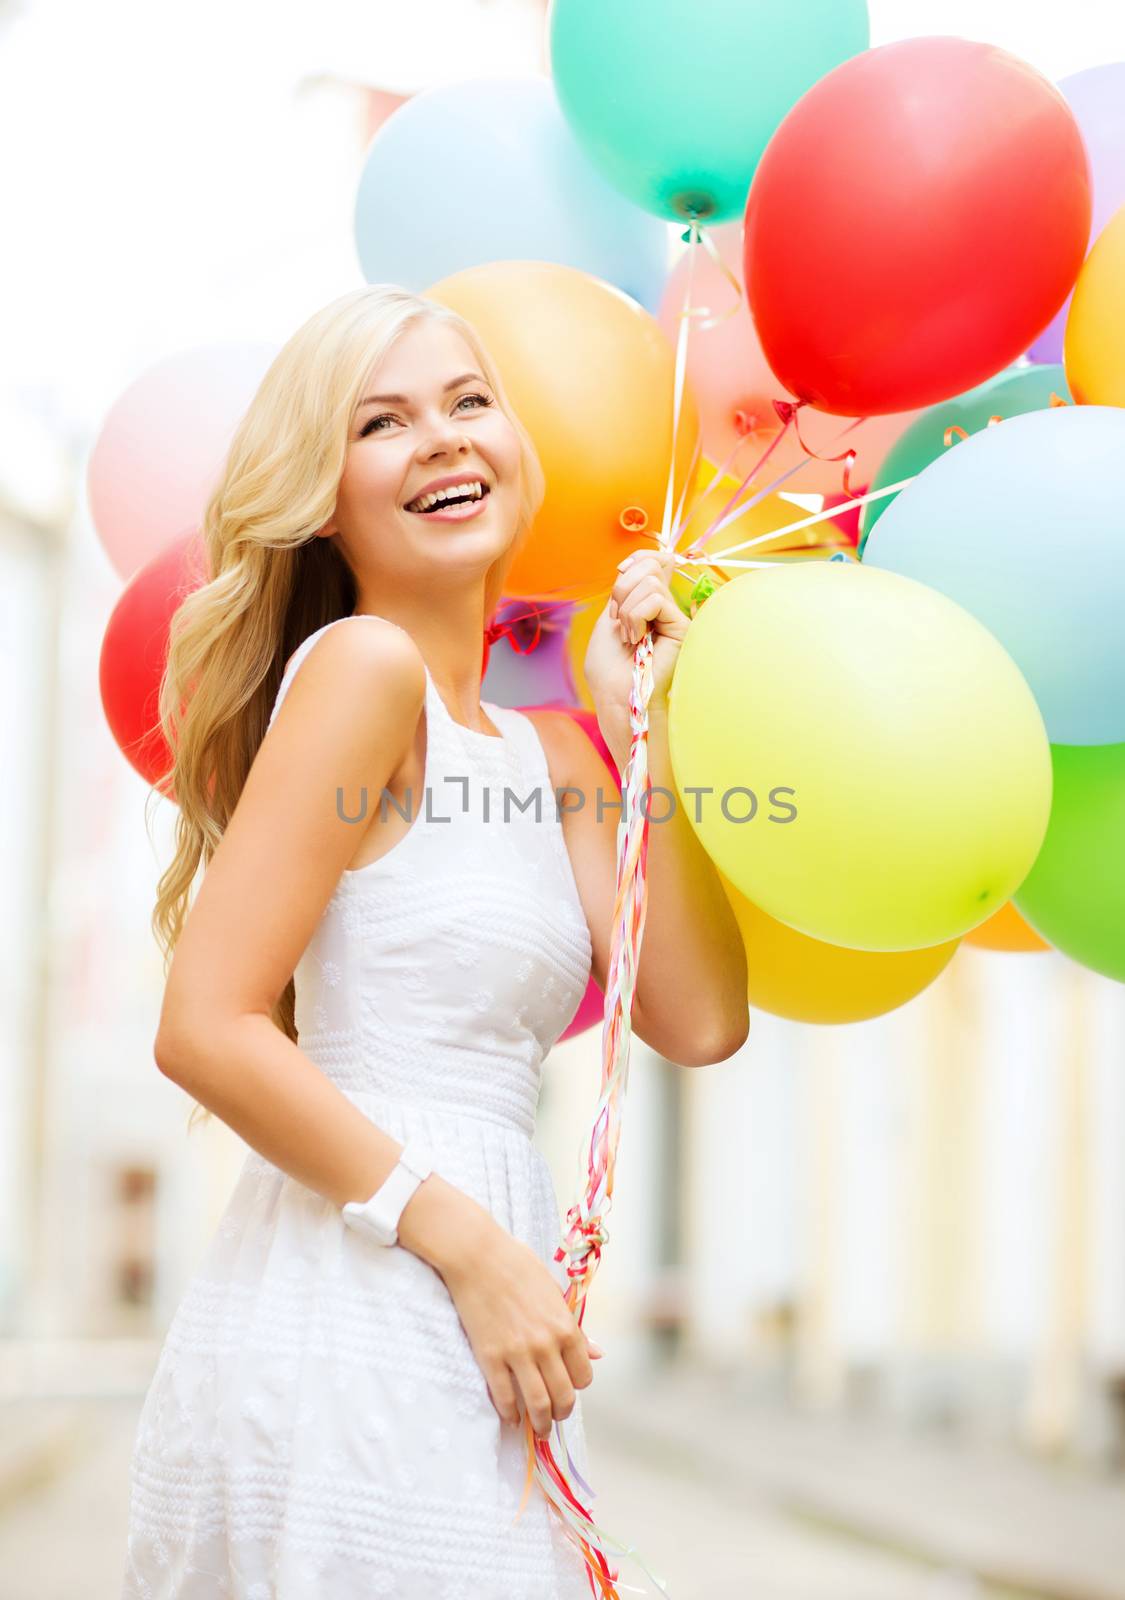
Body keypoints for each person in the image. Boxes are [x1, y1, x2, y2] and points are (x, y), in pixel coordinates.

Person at [121, 283, 749, 1598]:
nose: (446, 440)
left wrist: (643, 733)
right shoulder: (362, 672)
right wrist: (463, 1245)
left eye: (471, 404)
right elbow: (204, 1025)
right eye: (384, 423)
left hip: (488, 1305)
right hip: (370, 1284)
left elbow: (696, 1019)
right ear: (324, 492)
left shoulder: (560, 755)